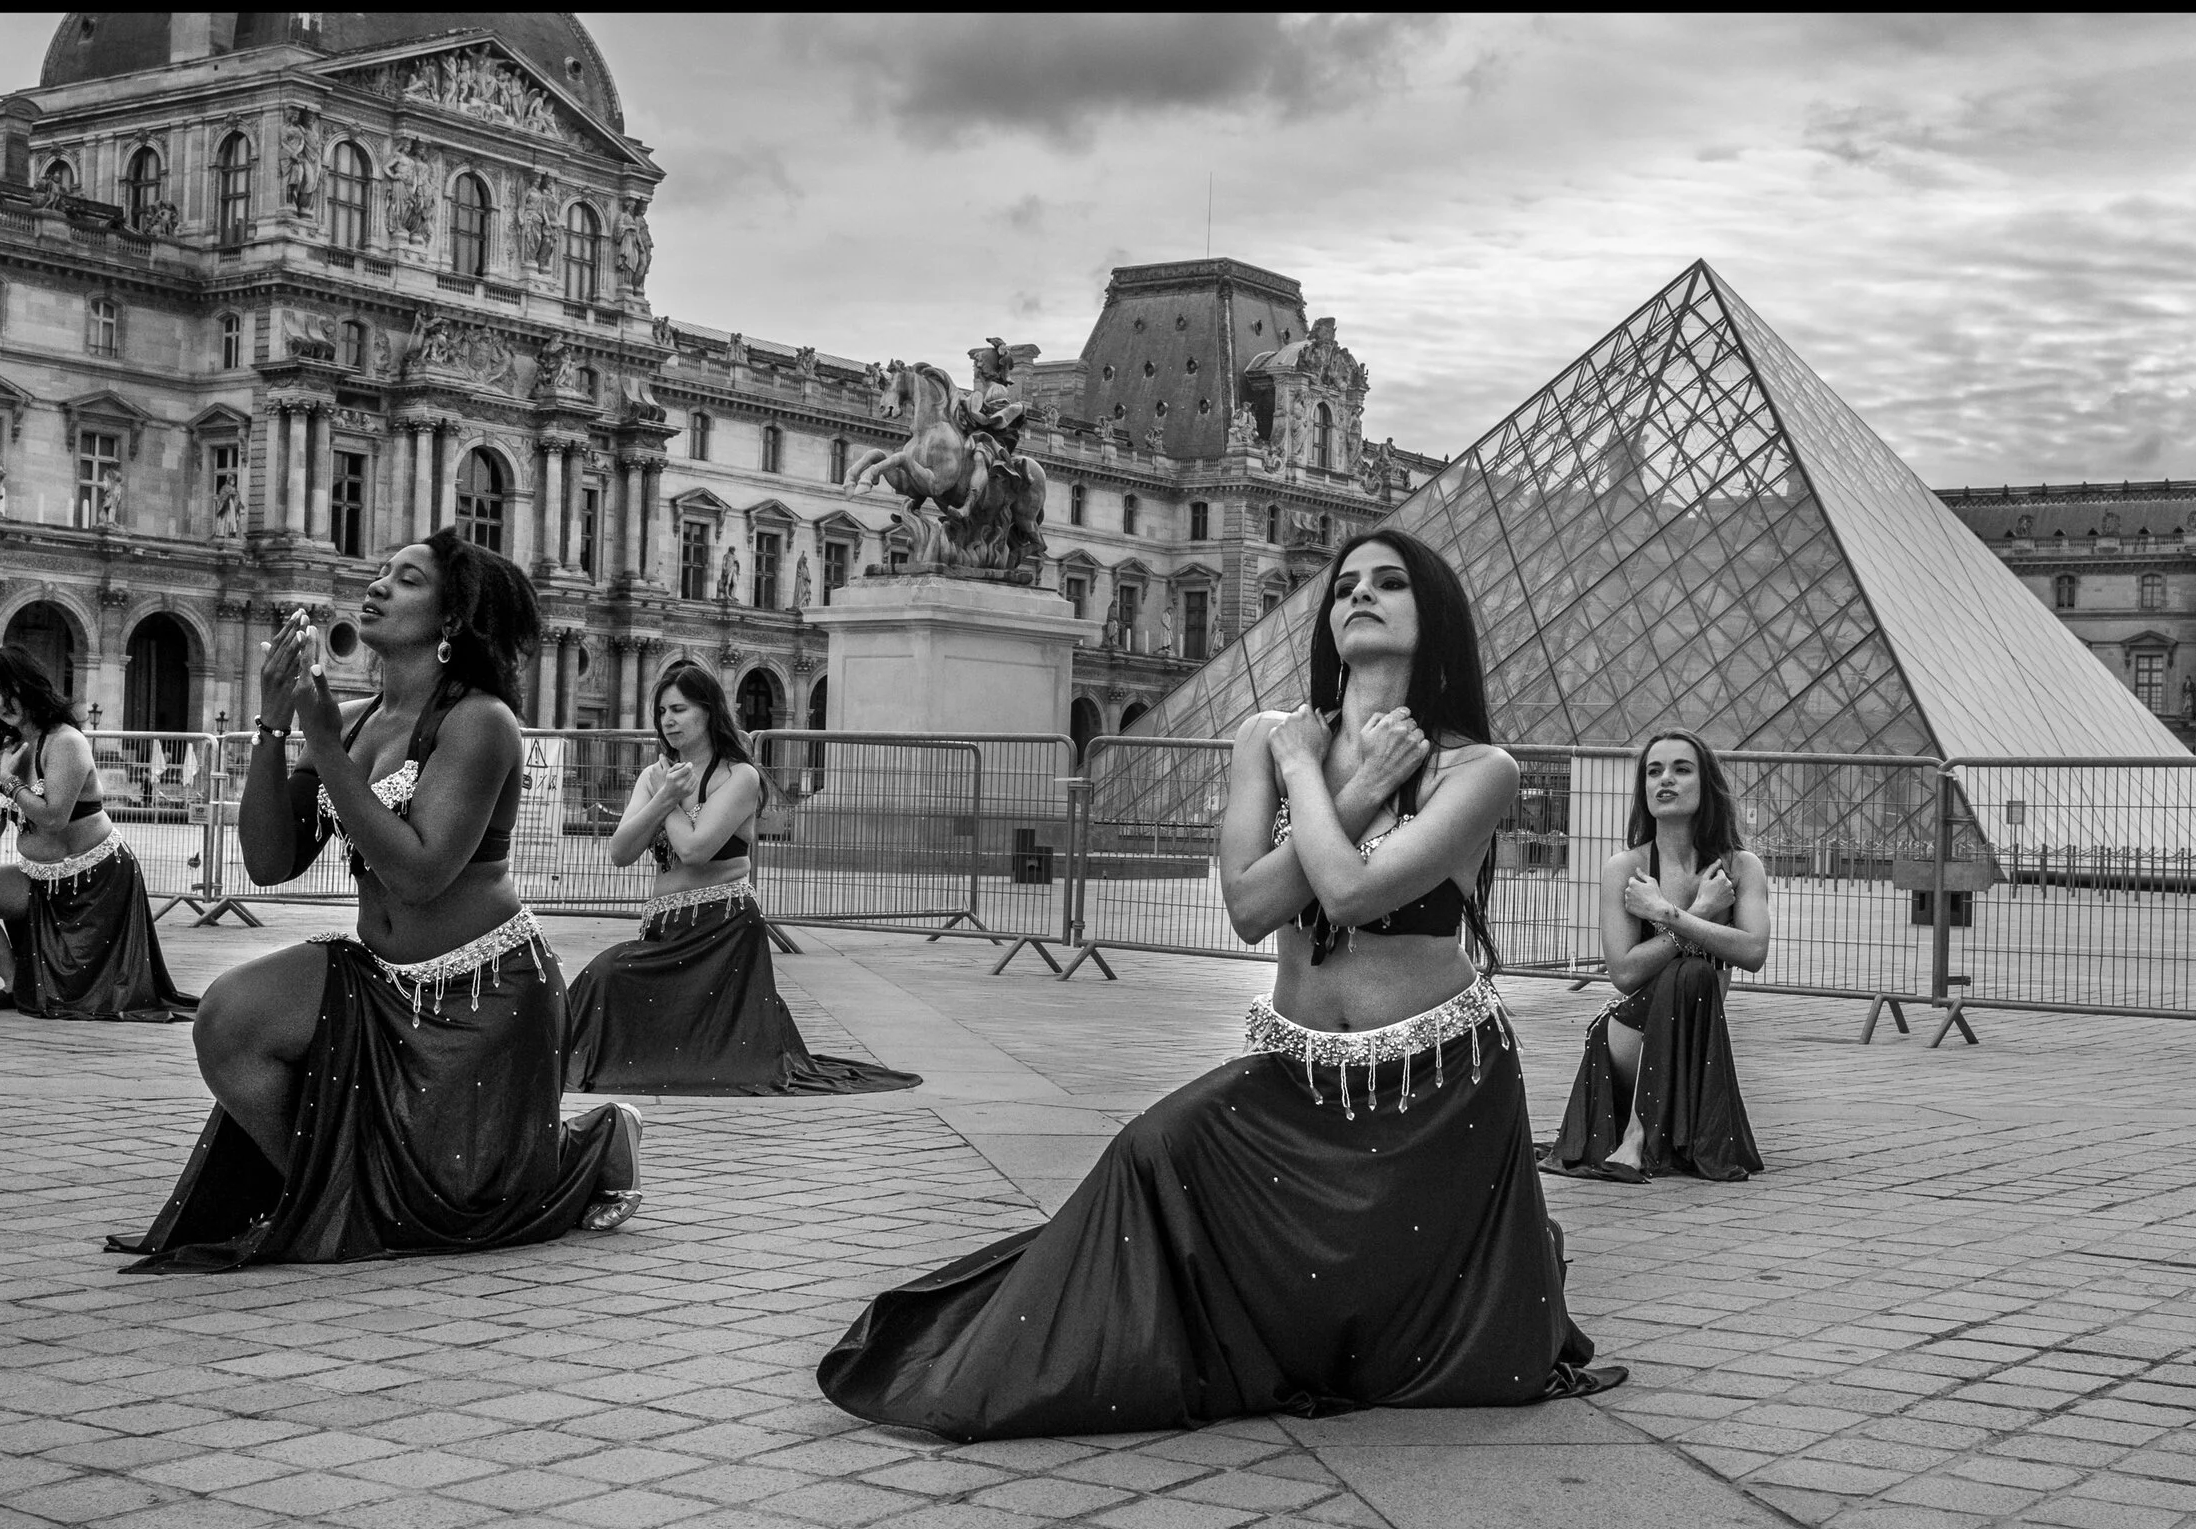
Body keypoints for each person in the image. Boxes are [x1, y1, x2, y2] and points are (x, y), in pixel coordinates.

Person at [820, 531, 1619, 1441]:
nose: (1360, 595)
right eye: (1345, 585)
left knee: (1386, 1325)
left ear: (1433, 614)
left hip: (1437, 1094)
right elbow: (1248, 905)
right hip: (1297, 1079)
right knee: (1150, 1148)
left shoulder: (1480, 769)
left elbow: (1353, 891)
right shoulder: (1267, 738)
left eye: (1390, 584)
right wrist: (1345, 790)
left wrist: (1304, 778)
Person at [109, 529, 640, 1272]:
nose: (380, 583)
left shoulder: (479, 720)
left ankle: (597, 1137)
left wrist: (323, 747)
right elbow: (269, 861)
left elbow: (421, 872)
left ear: (452, 619)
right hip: (379, 981)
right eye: (382, 571)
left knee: (456, 1200)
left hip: (482, 999)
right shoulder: (353, 719)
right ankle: (334, 1191)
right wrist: (273, 721)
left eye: (409, 579)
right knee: (227, 1021)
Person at [562, 664, 921, 1097]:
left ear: (708, 711)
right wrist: (662, 794)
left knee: (609, 975)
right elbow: (620, 853)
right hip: (664, 930)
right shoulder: (656, 776)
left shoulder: (740, 776)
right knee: (600, 978)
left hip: (721, 928)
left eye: (678, 709)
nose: (667, 721)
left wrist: (667, 800)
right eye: (661, 712)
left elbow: (696, 850)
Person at [1543, 729, 1769, 1184]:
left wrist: (1669, 914)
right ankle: (1639, 1134)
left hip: (1694, 1035)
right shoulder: (1626, 869)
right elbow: (1624, 974)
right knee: (1693, 971)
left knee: (1694, 976)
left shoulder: (1741, 867)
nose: (1665, 779)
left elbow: (1754, 951)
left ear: (1707, 785)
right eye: (1653, 771)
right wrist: (1702, 913)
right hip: (1629, 1037)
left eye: (1681, 769)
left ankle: (1640, 1135)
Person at [0, 647, 198, 1022]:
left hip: (97, 881)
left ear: (28, 687)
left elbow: (54, 816)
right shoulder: (7, 748)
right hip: (40, 878)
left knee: (87, 996)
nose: (1, 704)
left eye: (7, 691)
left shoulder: (65, 742)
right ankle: (15, 984)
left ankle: (27, 986)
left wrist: (10, 782)